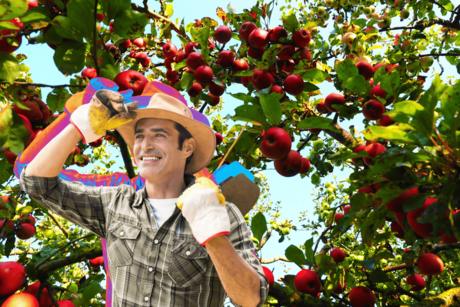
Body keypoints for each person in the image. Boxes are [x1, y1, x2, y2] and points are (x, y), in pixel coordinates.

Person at [19, 86, 269, 307]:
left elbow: (251, 299)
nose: (145, 145)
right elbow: (37, 184)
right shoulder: (116, 203)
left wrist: (214, 236)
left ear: (188, 147)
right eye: (139, 136)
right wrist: (79, 127)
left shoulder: (223, 215)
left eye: (159, 135)